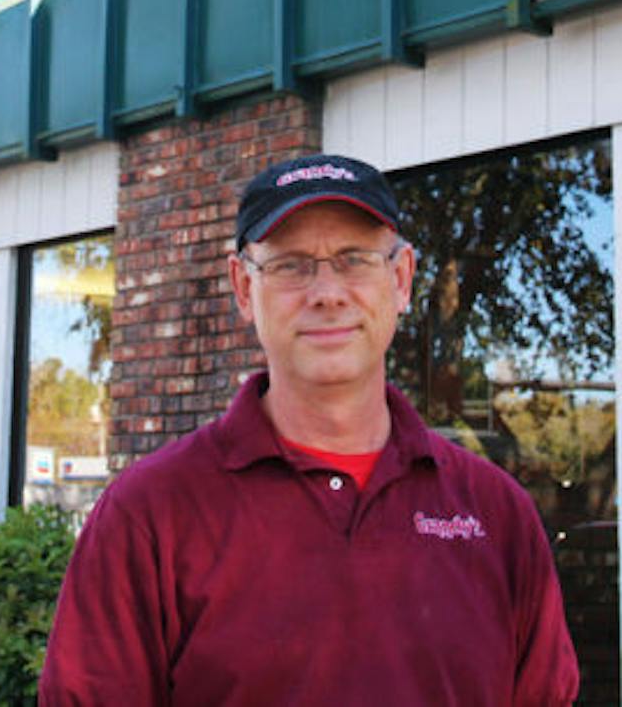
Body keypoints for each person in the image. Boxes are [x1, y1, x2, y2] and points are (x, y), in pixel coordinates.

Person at [39, 153, 579, 705]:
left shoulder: (496, 516)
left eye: (353, 259)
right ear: (243, 288)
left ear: (400, 279)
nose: (326, 292)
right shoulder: (150, 515)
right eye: (292, 265)